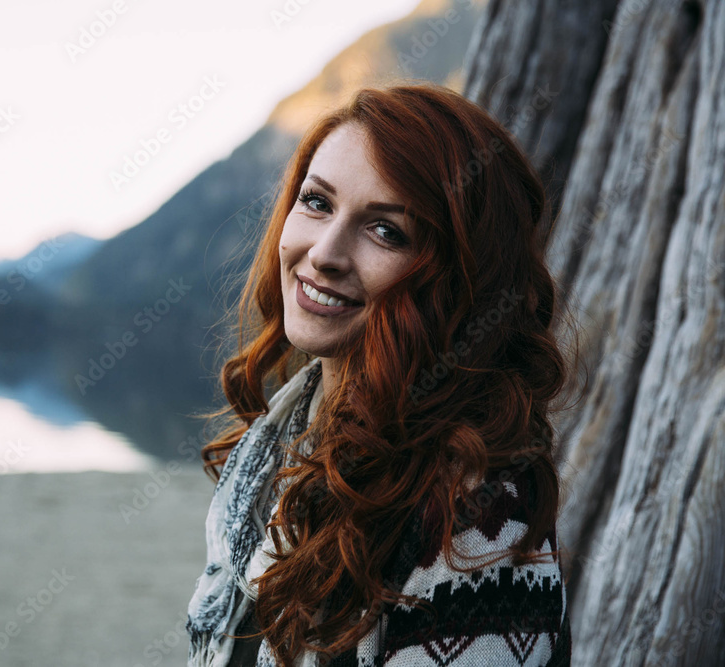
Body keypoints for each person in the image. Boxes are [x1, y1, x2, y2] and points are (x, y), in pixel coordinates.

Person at [185, 81, 581, 667]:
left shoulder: (476, 518)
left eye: (386, 231)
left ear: (458, 279)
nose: (323, 253)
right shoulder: (287, 444)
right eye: (316, 202)